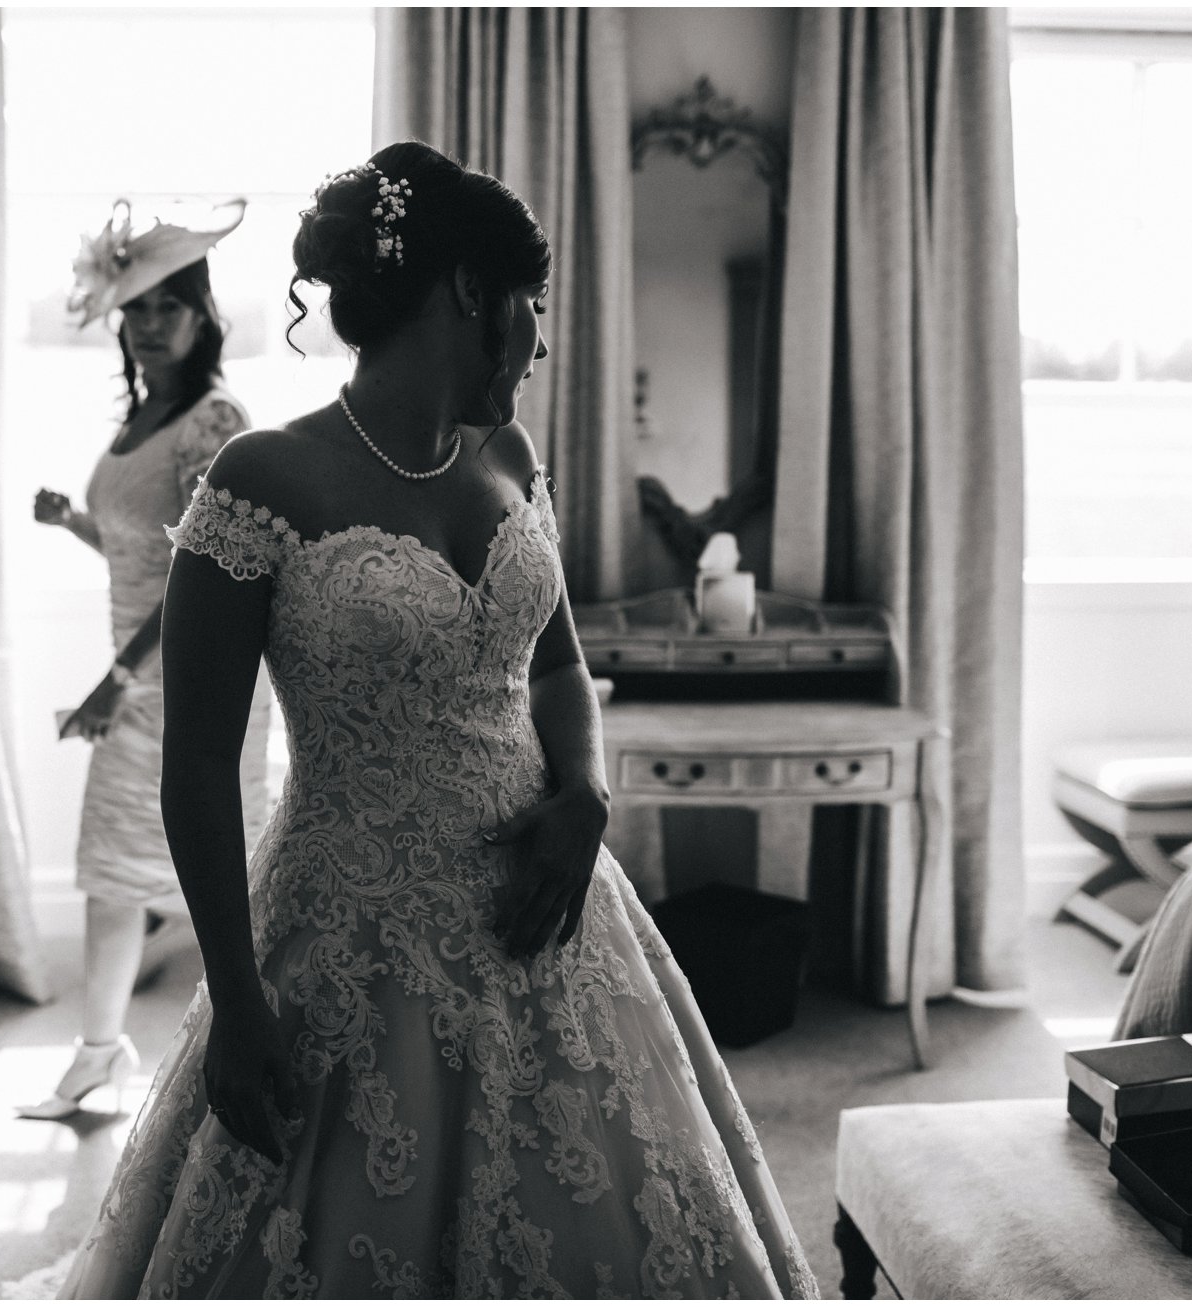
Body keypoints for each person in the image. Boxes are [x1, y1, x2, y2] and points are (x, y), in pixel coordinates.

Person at [62, 142, 816, 1297]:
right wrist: (235, 997)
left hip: (545, 900)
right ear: (471, 293)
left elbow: (558, 661)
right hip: (349, 922)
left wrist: (587, 793)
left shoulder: (509, 453)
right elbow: (200, 764)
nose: (541, 339)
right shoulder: (262, 476)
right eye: (531, 307)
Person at [16, 200, 272, 1121]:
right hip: (137, 664)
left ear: (204, 316)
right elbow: (144, 550)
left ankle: (244, 1034)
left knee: (216, 868)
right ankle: (100, 1051)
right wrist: (76, 524)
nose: (150, 325)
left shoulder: (215, 420)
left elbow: (202, 576)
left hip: (189, 674)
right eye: (136, 309)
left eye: (169, 306)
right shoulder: (141, 418)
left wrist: (114, 680)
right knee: (115, 867)